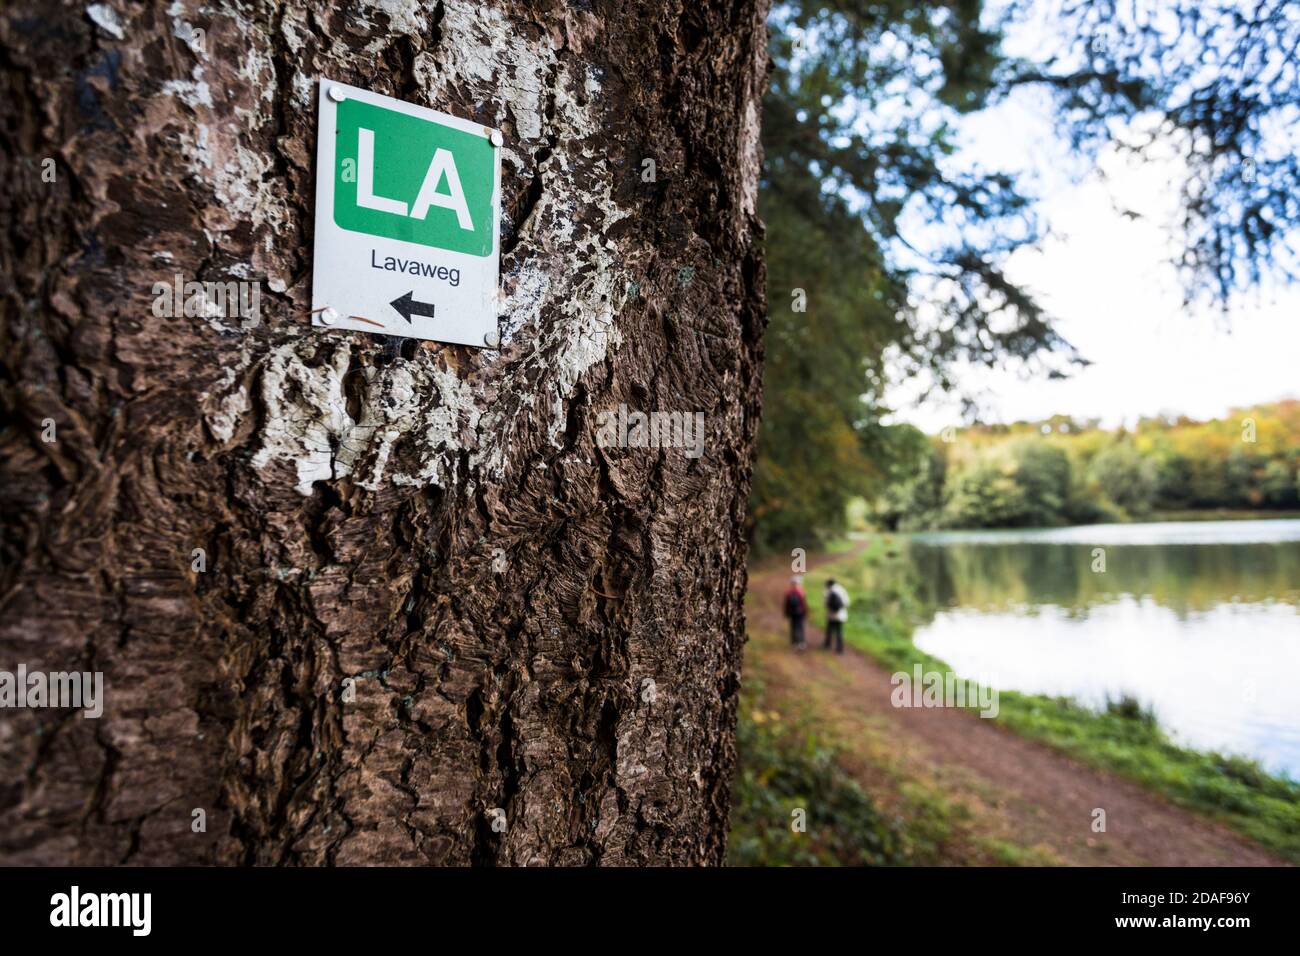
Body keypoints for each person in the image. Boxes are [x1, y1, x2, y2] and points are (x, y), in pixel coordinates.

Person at [823, 578, 849, 653]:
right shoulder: (841, 589)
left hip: (831, 614)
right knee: (839, 632)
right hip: (841, 615)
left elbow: (825, 603)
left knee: (829, 630)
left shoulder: (828, 591)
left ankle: (827, 645)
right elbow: (847, 602)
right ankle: (840, 648)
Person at [782, 576, 808, 651]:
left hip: (792, 613)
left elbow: (786, 604)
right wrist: (805, 612)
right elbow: (804, 604)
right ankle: (801, 643)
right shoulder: (801, 592)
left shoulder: (788, 593)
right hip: (800, 613)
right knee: (800, 627)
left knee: (794, 627)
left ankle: (795, 643)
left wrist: (786, 613)